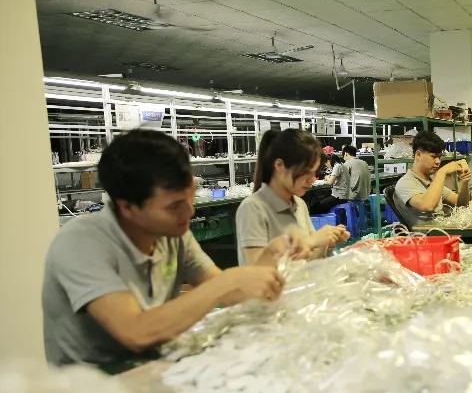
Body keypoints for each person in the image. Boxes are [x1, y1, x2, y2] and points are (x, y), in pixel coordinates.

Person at [42, 130, 290, 367]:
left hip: (153, 366)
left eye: (191, 197)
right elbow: (136, 331)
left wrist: (272, 261)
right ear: (127, 207)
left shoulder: (172, 236)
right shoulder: (81, 243)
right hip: (95, 384)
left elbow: (227, 292)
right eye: (174, 206)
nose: (189, 212)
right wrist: (228, 282)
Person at [236, 129, 349, 266]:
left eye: (314, 172)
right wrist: (310, 241)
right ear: (280, 165)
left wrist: (327, 242)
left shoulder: (299, 204)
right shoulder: (253, 208)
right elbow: (255, 269)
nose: (312, 179)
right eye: (306, 171)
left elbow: (308, 259)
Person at [392, 130, 472, 224]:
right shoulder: (406, 183)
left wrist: (465, 182)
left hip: (443, 229)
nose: (438, 161)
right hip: (427, 233)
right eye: (433, 156)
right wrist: (442, 172)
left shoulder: (430, 181)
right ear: (418, 155)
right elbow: (427, 206)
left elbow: (462, 205)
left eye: (439, 157)